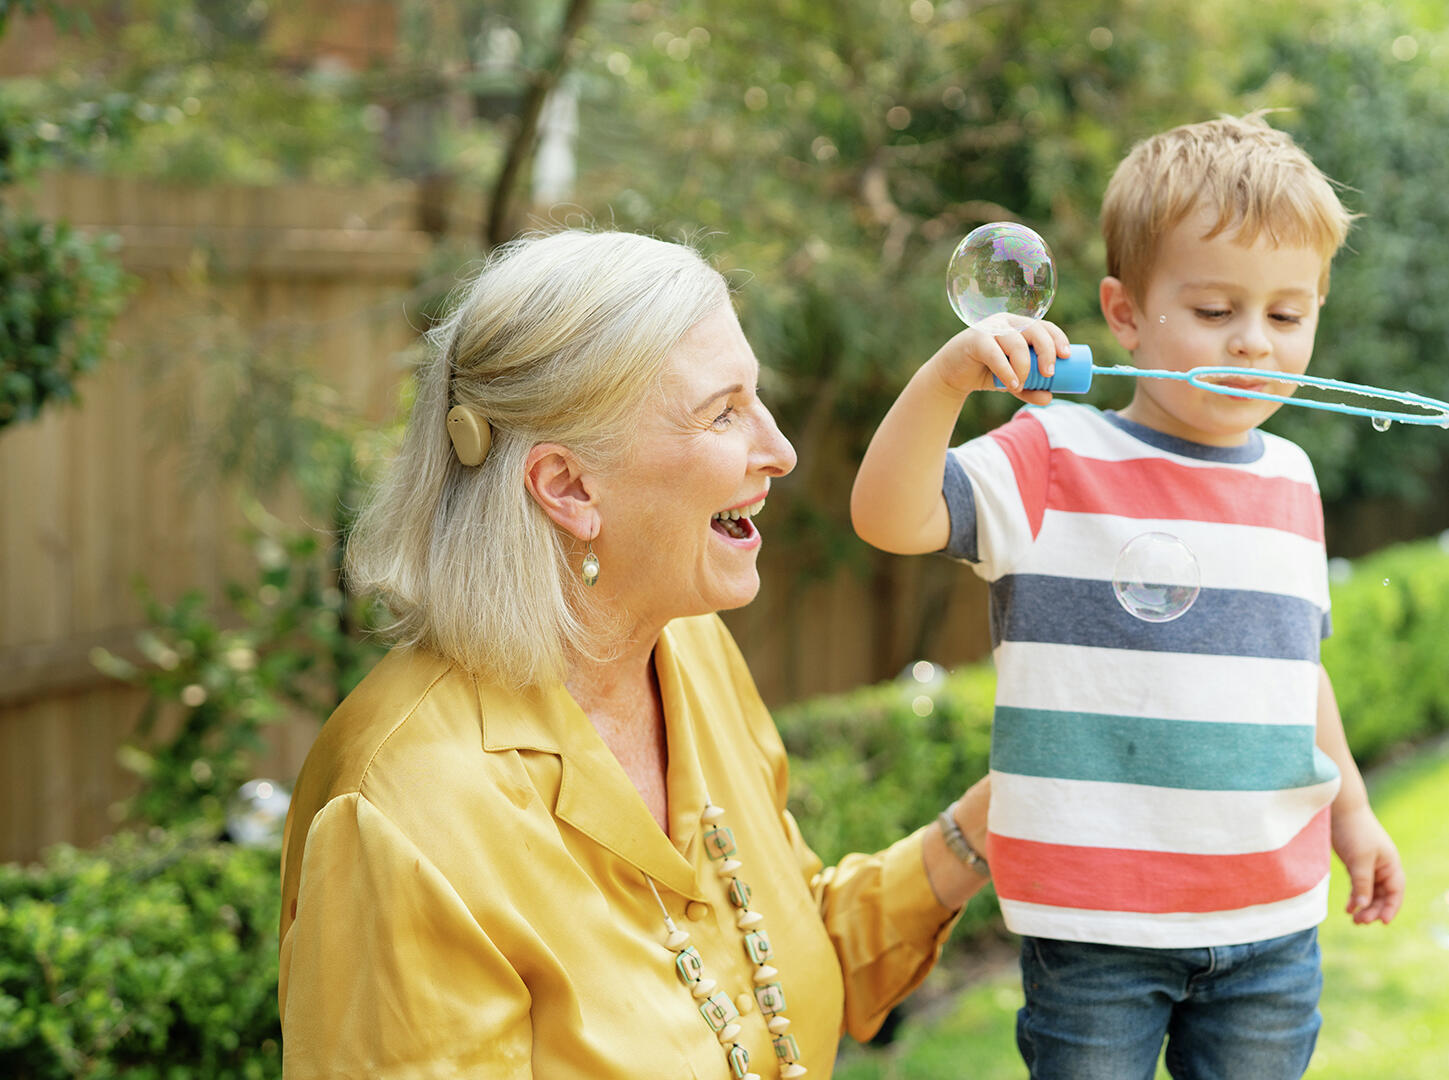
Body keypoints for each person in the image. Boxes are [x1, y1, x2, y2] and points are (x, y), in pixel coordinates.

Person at [276, 229, 994, 1080]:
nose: (781, 450)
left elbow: (772, 977)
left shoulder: (690, 654)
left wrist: (988, 828)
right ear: (568, 488)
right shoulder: (403, 814)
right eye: (722, 412)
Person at [847, 113, 1405, 1079]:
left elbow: (1292, 671)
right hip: (1095, 920)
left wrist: (1352, 814)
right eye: (1216, 309)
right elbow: (888, 518)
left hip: (1270, 918)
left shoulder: (1293, 479)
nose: (1254, 344)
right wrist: (947, 381)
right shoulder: (1056, 455)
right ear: (1127, 312)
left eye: (1285, 315)